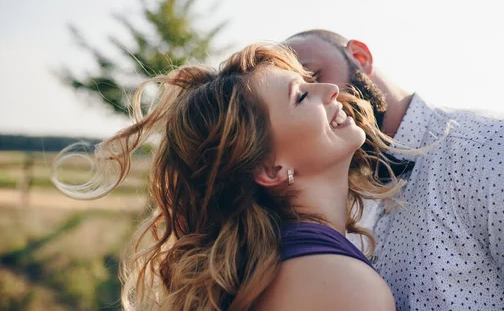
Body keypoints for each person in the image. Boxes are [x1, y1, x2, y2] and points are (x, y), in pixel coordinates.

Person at [51, 43, 404, 311]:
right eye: (300, 97)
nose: (329, 90)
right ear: (270, 169)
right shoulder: (341, 286)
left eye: (309, 82)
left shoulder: (270, 269)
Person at [284, 29, 504, 310]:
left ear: (360, 56)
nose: (322, 97)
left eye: (313, 76)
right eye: (299, 98)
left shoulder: (503, 152)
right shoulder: (338, 206)